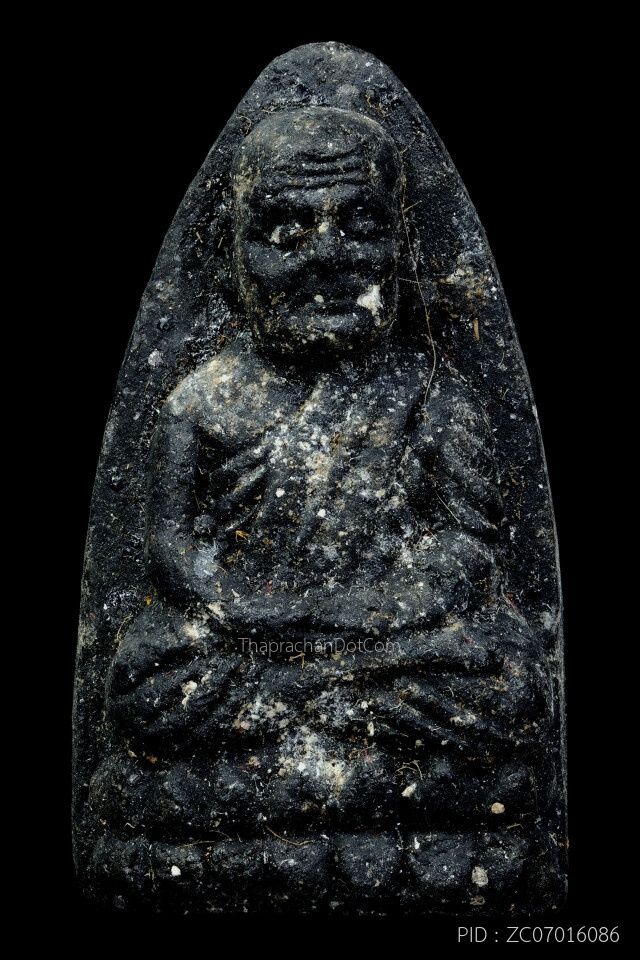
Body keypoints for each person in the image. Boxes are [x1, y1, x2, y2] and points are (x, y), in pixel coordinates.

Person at [89, 108, 552, 910]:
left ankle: (303, 738)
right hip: (251, 638)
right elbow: (171, 548)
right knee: (146, 679)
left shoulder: (431, 397)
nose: (327, 257)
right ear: (232, 252)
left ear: (401, 247)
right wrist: (237, 607)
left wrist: (368, 613)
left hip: (388, 640)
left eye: (360, 226)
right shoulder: (202, 401)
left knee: (502, 678)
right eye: (286, 231)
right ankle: (343, 744)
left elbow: (467, 549)